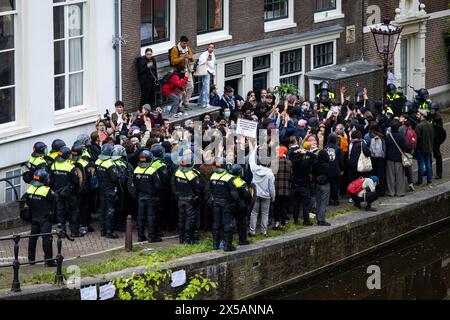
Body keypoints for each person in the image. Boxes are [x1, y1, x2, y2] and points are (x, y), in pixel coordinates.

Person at [25, 170, 57, 267]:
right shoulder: (46, 190)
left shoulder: (30, 189)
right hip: (45, 219)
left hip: (34, 218)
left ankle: (31, 259)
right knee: (47, 239)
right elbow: (56, 198)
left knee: (32, 238)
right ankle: (49, 261)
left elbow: (28, 203)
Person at [208, 157, 239, 252]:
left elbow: (209, 190)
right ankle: (228, 245)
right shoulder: (228, 178)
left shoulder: (213, 176)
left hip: (216, 203)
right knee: (227, 224)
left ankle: (215, 244)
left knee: (216, 223)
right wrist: (236, 202)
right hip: (226, 203)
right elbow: (234, 194)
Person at [172, 151, 203, 244]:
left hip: (180, 199)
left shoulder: (177, 172)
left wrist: (176, 194)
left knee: (181, 219)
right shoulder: (192, 175)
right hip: (190, 200)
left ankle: (181, 238)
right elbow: (198, 189)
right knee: (190, 220)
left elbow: (173, 184)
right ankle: (188, 239)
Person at [49, 146, 80, 238]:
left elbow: (51, 179)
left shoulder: (54, 165)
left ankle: (61, 232)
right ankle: (74, 232)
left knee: (60, 212)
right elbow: (76, 181)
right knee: (73, 211)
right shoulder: (71, 166)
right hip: (70, 194)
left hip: (58, 193)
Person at [133, 150, 162, 243]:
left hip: (140, 196)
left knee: (140, 217)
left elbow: (133, 183)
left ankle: (140, 236)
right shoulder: (152, 170)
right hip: (151, 197)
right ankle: (152, 237)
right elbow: (158, 185)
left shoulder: (136, 169)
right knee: (151, 217)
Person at [248, 148, 276, 237]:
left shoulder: (255, 169)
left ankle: (252, 231)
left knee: (254, 213)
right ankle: (263, 231)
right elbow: (271, 187)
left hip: (255, 195)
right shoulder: (270, 173)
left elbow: (251, 160)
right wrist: (273, 196)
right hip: (266, 196)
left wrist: (254, 150)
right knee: (265, 213)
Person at [95, 144, 120, 239]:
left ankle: (103, 230)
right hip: (109, 190)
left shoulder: (97, 161)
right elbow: (114, 178)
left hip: (101, 189)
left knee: (102, 209)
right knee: (110, 210)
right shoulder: (110, 163)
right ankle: (109, 232)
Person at [71, 143, 95, 236]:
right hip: (83, 190)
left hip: (76, 190)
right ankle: (84, 226)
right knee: (84, 208)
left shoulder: (70, 161)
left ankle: (75, 226)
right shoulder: (85, 163)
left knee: (75, 208)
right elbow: (88, 176)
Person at [150, 144, 171, 235]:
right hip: (161, 191)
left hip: (151, 190)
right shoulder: (160, 165)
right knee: (159, 211)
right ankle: (157, 230)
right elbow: (165, 179)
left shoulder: (149, 162)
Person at [170, 36, 196, 109]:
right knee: (180, 88)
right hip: (179, 71)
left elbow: (193, 58)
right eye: (184, 43)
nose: (185, 45)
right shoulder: (175, 49)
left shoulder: (188, 48)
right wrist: (183, 57)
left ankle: (186, 101)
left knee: (191, 86)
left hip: (187, 70)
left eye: (186, 43)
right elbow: (173, 61)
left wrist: (190, 57)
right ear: (180, 42)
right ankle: (179, 104)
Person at [229, 164, 251, 245]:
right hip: (240, 206)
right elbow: (247, 195)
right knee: (241, 223)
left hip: (229, 205)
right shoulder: (241, 182)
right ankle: (242, 240)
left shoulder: (228, 179)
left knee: (229, 223)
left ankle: (228, 241)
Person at [385, 119, 407, 197]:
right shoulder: (401, 136)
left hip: (390, 158)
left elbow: (386, 147)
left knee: (390, 177)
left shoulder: (388, 136)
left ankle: (391, 192)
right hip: (399, 158)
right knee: (400, 176)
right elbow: (405, 146)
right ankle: (400, 192)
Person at [312, 149, 333, 226]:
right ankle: (321, 220)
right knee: (324, 202)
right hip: (325, 184)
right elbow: (331, 175)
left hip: (317, 184)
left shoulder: (315, 163)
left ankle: (318, 218)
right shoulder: (327, 165)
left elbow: (313, 172)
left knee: (318, 201)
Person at [273, 146, 292, 230]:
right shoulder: (289, 162)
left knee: (276, 206)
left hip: (276, 188)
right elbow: (291, 176)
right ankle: (283, 224)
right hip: (286, 188)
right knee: (283, 207)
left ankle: (276, 223)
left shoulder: (274, 162)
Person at [324, 133, 345, 206]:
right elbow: (341, 160)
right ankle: (335, 200)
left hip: (327, 169)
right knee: (335, 185)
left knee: (328, 185)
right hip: (336, 169)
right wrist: (342, 168)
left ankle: (329, 199)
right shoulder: (338, 148)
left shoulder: (325, 148)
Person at [415, 110, 434, 186]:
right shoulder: (430, 125)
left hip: (421, 148)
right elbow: (433, 135)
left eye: (418, 114)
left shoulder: (419, 126)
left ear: (422, 115)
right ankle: (429, 180)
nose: (416, 115)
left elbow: (417, 138)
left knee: (421, 165)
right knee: (428, 164)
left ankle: (420, 181)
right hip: (429, 148)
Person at [197, 43, 216, 108]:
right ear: (208, 48)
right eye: (210, 47)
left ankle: (199, 101)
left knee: (204, 87)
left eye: (212, 47)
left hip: (210, 71)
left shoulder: (213, 54)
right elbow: (200, 62)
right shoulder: (204, 54)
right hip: (205, 71)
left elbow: (213, 63)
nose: (211, 48)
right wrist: (206, 59)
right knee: (206, 87)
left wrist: (213, 72)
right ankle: (206, 102)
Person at [430, 102, 444, 180]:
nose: (431, 110)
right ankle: (429, 171)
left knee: (437, 155)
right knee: (428, 155)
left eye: (433, 109)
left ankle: (439, 173)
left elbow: (440, 130)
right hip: (430, 138)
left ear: (436, 110)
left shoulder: (438, 118)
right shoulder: (429, 116)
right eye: (431, 109)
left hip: (436, 140)